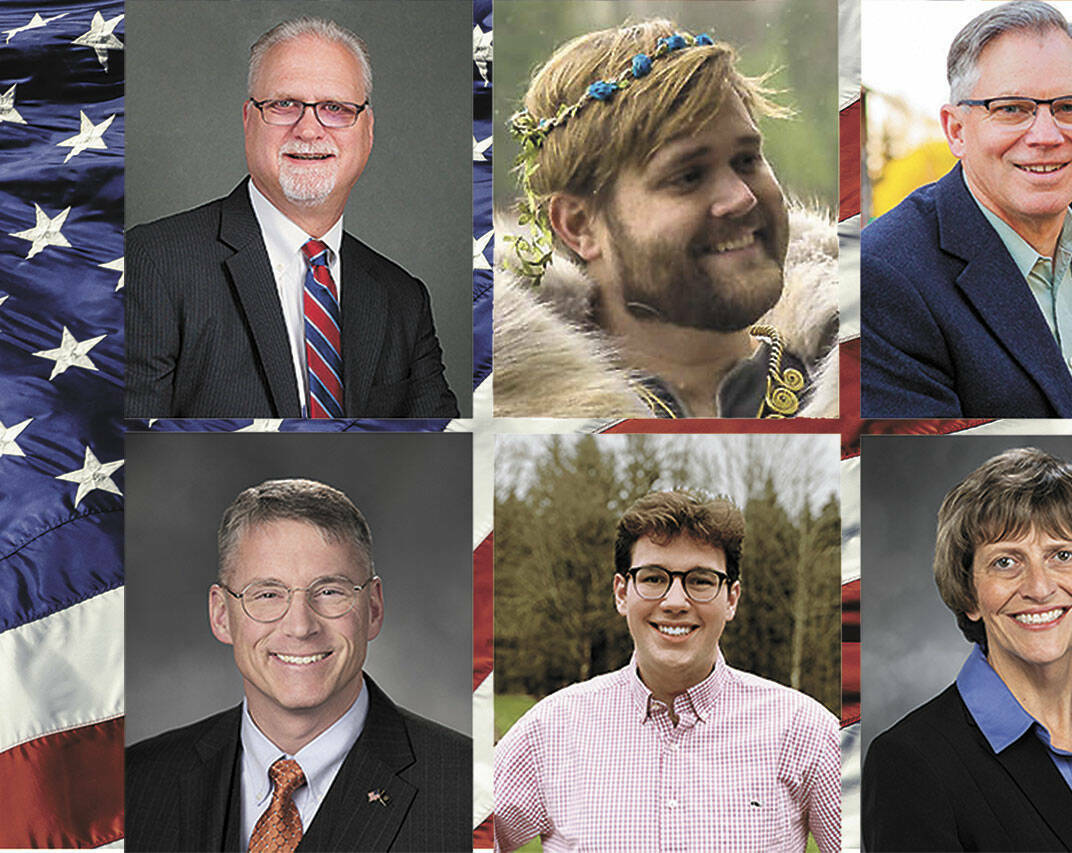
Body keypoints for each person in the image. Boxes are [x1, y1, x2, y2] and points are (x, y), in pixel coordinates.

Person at [860, 0, 1072, 419]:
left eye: (1069, 107)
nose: (1046, 135)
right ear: (956, 131)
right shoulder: (883, 275)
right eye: (1011, 109)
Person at [862, 448, 1072, 852]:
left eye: (1062, 555)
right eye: (1006, 562)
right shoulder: (910, 763)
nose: (1039, 588)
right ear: (969, 594)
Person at [494, 19, 838, 418]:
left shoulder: (865, 375)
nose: (741, 198)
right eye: (688, 176)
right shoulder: (503, 408)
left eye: (746, 160)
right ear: (579, 226)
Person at [125, 17, 458, 419]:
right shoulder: (154, 263)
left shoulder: (403, 299)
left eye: (335, 108)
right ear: (249, 121)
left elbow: (435, 446)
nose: (309, 129)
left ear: (367, 132)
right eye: (285, 105)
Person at [126, 479, 471, 852]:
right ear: (221, 614)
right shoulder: (134, 783)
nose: (300, 627)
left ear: (373, 608)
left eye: (329, 592)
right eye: (268, 594)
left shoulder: (469, 790)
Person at [494, 490, 840, 852]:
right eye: (654, 578)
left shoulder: (805, 732)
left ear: (732, 599)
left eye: (701, 580)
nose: (675, 602)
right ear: (621, 593)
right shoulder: (550, 730)